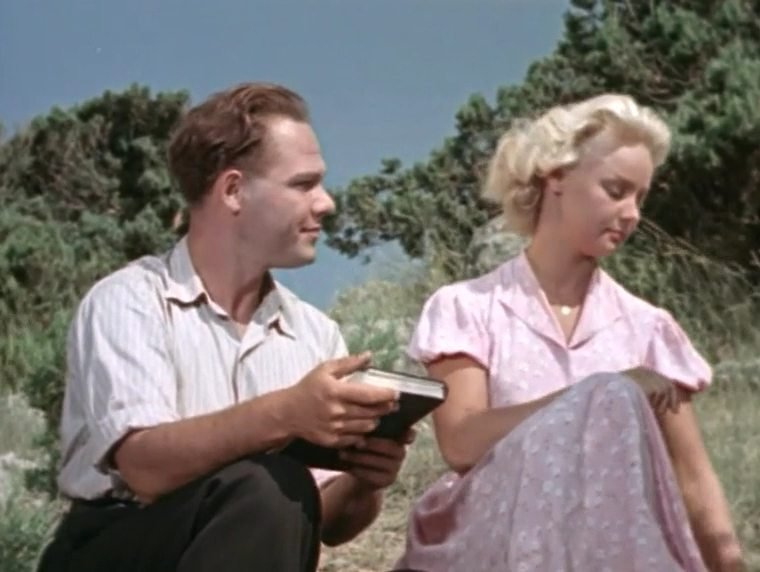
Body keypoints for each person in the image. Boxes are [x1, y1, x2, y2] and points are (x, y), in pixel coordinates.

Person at [37, 82, 413, 572]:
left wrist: (363, 480)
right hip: (117, 548)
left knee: (276, 493)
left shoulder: (315, 334)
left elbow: (321, 523)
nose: (326, 203)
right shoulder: (130, 300)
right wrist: (287, 413)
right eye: (303, 184)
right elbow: (145, 469)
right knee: (265, 485)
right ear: (233, 190)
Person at [394, 94, 743, 571]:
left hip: (608, 546)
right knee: (611, 397)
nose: (632, 214)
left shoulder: (648, 329)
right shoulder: (468, 307)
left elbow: (693, 481)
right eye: (616, 190)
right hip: (490, 538)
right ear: (555, 175)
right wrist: (595, 396)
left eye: (640, 198)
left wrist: (729, 564)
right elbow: (461, 442)